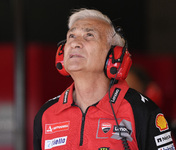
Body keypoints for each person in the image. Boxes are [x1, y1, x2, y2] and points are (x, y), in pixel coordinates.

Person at [33, 8, 175, 150]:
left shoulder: (141, 110)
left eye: (89, 35)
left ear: (114, 55)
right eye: (71, 36)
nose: (75, 43)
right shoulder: (47, 114)